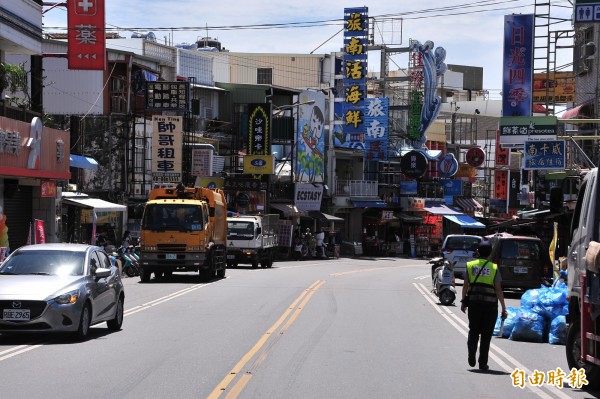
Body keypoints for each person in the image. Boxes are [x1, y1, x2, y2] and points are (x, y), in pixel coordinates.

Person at [461, 242, 507, 371]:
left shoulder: (470, 266)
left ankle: (471, 355)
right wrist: (503, 307)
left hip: (474, 305)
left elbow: (465, 286)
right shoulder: (493, 268)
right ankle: (482, 363)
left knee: (473, 331)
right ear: (490, 252)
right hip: (490, 307)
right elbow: (498, 290)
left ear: (477, 251)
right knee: (486, 336)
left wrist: (464, 302)